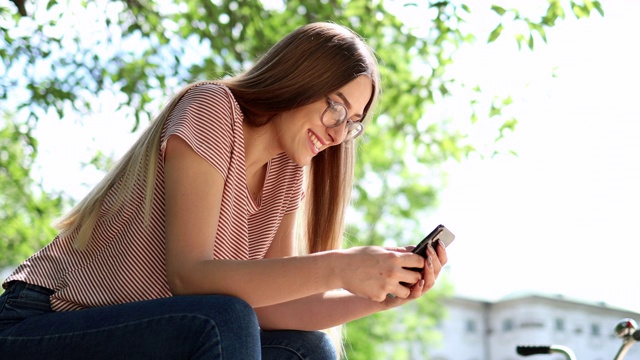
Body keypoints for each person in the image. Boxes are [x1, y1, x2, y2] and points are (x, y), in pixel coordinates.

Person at [0, 22, 448, 359]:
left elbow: (273, 309)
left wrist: (376, 295)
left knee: (307, 350)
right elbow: (190, 277)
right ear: (300, 78)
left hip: (153, 331)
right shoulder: (214, 109)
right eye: (336, 108)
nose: (337, 132)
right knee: (224, 316)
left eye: (352, 125)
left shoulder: (289, 171)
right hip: (44, 321)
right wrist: (338, 267)